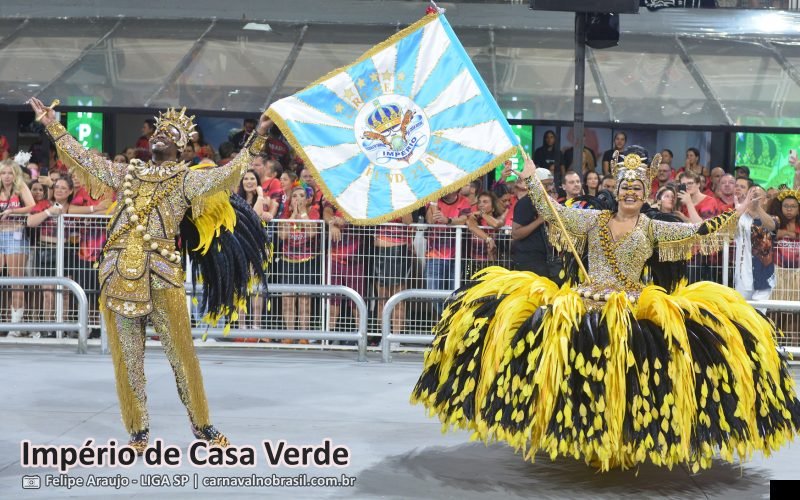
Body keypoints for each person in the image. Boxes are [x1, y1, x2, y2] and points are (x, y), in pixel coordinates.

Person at [412, 147, 800, 472]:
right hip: (583, 307)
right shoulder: (593, 219)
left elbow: (700, 232)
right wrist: (531, 177)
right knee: (572, 375)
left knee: (626, 381)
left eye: (636, 188)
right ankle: (573, 433)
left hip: (632, 312)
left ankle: (621, 438)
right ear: (617, 191)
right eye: (625, 187)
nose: (630, 193)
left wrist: (739, 212)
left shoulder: (652, 227)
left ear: (645, 192)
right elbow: (553, 213)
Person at [30, 97, 271, 453]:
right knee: (129, 357)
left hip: (162, 273)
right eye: (158, 131)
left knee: (181, 354)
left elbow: (230, 173)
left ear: (182, 146)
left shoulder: (188, 180)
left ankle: (202, 425)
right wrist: (53, 124)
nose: (160, 136)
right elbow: (85, 159)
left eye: (170, 134)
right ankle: (138, 429)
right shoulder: (128, 173)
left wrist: (259, 137)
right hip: (119, 274)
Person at [0, 158, 35, 336]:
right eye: (3, 173)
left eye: (9, 173)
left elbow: (32, 207)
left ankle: (15, 325)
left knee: (16, 282)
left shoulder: (20, 188)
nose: (6, 176)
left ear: (15, 174)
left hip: (16, 235)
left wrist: (12, 211)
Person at [734, 185, 775, 305]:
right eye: (751, 195)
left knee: (760, 315)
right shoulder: (740, 218)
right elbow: (728, 225)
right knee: (742, 314)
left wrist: (758, 208)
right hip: (743, 275)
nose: (754, 198)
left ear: (765, 199)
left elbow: (771, 226)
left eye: (757, 195)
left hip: (764, 274)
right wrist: (744, 206)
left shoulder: (771, 218)